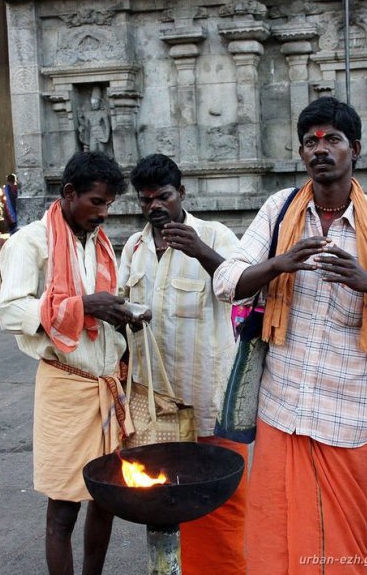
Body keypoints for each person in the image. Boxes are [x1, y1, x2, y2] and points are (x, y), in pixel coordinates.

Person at [213, 97, 367, 574]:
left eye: (332, 139)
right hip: (280, 410)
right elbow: (227, 280)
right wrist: (278, 264)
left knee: (341, 553)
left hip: (346, 419)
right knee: (273, 544)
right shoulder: (280, 209)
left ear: (355, 149)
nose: (321, 149)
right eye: (311, 142)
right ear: (301, 153)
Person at [0, 151, 147, 575]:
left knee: (106, 498)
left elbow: (103, 305)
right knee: (63, 507)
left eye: (109, 205)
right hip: (66, 388)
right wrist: (81, 306)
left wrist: (124, 315)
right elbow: (10, 313)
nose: (103, 214)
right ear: (69, 194)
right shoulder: (30, 242)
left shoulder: (98, 243)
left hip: (106, 383)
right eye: (96, 203)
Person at [118, 153, 247, 575]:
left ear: (182, 194)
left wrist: (202, 251)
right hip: (154, 407)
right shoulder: (134, 248)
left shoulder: (215, 234)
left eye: (164, 197)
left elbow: (244, 291)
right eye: (145, 199)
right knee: (165, 499)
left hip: (207, 402)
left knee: (222, 504)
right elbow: (122, 308)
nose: (155, 206)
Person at [78, 86, 112, 155]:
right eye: (92, 103)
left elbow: (107, 126)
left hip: (100, 134)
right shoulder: (88, 114)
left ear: (99, 103)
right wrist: (82, 127)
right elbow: (86, 125)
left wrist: (106, 137)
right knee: (92, 152)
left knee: (102, 152)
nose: (94, 105)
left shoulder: (103, 113)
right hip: (92, 134)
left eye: (96, 103)